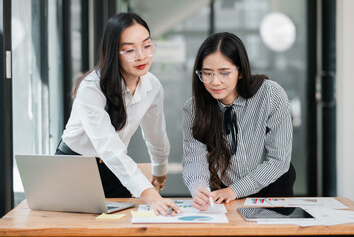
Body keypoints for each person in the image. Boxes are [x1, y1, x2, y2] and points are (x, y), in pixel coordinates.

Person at [55, 13, 180, 216]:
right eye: (129, 50)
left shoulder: (152, 85)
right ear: (114, 52)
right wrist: (151, 196)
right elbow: (109, 148)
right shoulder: (91, 87)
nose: (141, 56)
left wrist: (160, 169)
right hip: (74, 167)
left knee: (125, 224)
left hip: (113, 169)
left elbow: (155, 133)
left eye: (147, 46)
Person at [182, 32, 296, 211]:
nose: (215, 81)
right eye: (207, 73)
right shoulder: (193, 108)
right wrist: (199, 189)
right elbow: (195, 158)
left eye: (224, 73)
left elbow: (278, 159)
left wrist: (236, 190)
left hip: (271, 186)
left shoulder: (271, 95)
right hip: (223, 189)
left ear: (240, 72)